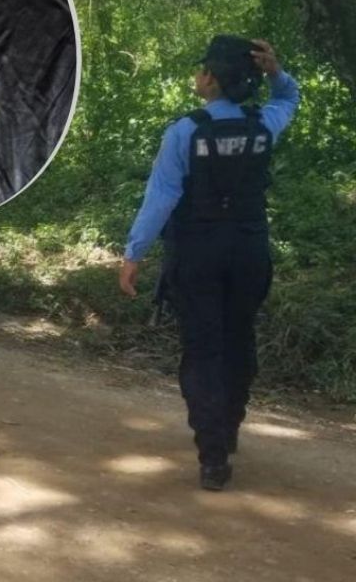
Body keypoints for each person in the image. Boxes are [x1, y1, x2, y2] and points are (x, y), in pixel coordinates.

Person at [119, 37, 299, 492]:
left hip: (197, 252)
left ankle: (213, 456)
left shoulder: (185, 132)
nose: (197, 76)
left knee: (203, 349)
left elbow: (161, 197)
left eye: (202, 69)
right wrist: (275, 72)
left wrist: (134, 253)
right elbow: (288, 98)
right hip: (249, 250)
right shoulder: (263, 124)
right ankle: (229, 426)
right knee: (239, 339)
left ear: (212, 79)